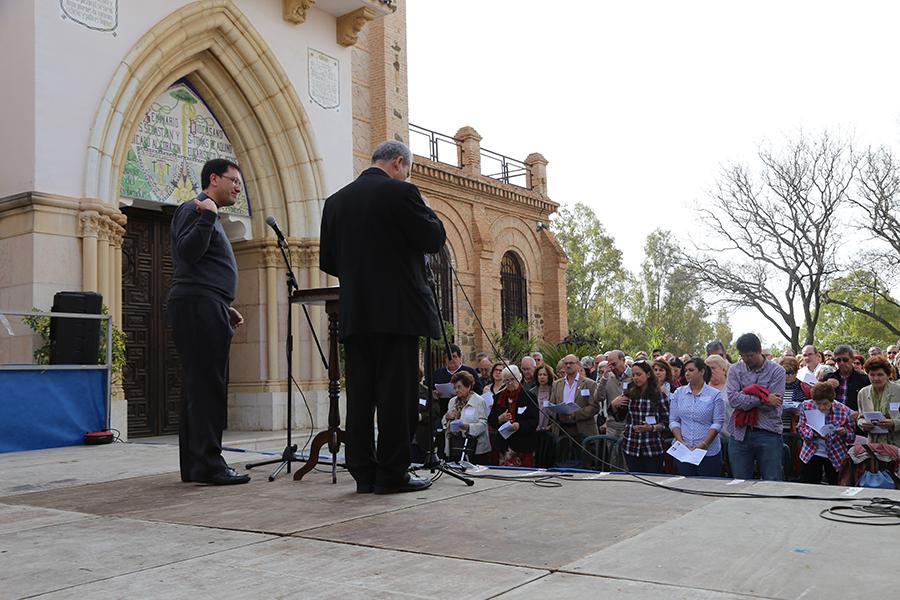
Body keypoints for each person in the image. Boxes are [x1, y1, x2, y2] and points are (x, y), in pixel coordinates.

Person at [320, 140, 444, 494]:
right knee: (397, 398)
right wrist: (427, 209)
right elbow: (433, 238)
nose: (407, 176)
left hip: (356, 314)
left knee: (360, 397)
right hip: (398, 315)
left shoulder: (336, 202)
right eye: (408, 170)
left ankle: (362, 472)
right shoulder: (401, 193)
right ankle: (392, 474)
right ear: (399, 163)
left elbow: (328, 261)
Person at [168, 158, 249, 486]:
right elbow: (188, 253)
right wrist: (208, 219)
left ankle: (197, 466)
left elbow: (199, 265)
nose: (238, 187)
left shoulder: (204, 211)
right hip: (198, 305)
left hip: (205, 303)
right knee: (207, 388)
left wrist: (222, 304)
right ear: (213, 178)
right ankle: (211, 465)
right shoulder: (197, 209)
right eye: (234, 180)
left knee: (200, 387)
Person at [725, 333, 786, 481]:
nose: (746, 359)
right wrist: (764, 397)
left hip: (768, 432)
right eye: (742, 356)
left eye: (750, 355)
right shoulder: (734, 370)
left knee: (772, 482)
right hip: (740, 433)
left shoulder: (777, 371)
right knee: (740, 482)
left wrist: (745, 395)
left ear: (760, 351)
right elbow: (734, 400)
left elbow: (774, 403)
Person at [609, 360, 670, 473]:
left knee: (653, 480)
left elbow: (667, 423)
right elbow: (619, 418)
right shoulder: (629, 393)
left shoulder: (659, 395)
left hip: (652, 447)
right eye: (633, 375)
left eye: (639, 374)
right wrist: (613, 405)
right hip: (631, 446)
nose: (636, 378)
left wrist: (652, 428)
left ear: (648, 374)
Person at [669, 358, 725, 477]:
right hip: (684, 450)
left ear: (702, 371)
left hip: (708, 452)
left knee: (707, 487)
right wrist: (680, 441)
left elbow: (717, 423)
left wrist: (704, 444)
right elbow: (674, 420)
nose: (687, 373)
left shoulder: (715, 394)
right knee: (685, 486)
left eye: (691, 370)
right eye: (685, 371)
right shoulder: (679, 393)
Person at [797, 383, 855, 485]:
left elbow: (852, 437)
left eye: (825, 404)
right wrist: (812, 434)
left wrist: (844, 432)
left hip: (836, 453)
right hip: (811, 452)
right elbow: (801, 428)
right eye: (818, 404)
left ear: (832, 401)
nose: (821, 407)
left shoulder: (844, 411)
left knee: (835, 485)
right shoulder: (806, 406)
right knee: (808, 486)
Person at [488, 365, 539, 466]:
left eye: (512, 379)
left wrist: (519, 425)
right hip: (504, 446)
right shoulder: (498, 397)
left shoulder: (529, 396)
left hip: (523, 444)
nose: (510, 383)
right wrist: (499, 418)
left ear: (519, 378)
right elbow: (491, 420)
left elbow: (534, 421)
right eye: (506, 380)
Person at [442, 371, 490, 465]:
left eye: (459, 387)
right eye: (455, 387)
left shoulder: (479, 401)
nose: (456, 390)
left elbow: (483, 424)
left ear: (468, 386)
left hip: (475, 448)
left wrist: (467, 427)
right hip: (455, 446)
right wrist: (447, 417)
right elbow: (444, 422)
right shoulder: (452, 401)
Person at [549, 354, 599, 442]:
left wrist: (576, 414)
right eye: (566, 363)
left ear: (578, 365)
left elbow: (595, 407)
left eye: (571, 363)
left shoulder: (590, 384)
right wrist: (558, 414)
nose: (568, 365)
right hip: (562, 429)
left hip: (582, 429)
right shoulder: (556, 384)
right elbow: (551, 405)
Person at [857, 356, 900, 446]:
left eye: (880, 375)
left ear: (888, 375)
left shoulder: (898, 391)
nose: (876, 378)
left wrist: (894, 423)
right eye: (872, 375)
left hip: (896, 444)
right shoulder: (863, 393)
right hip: (873, 445)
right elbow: (860, 418)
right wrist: (863, 424)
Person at [433, 343, 483, 415]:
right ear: (444, 359)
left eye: (454, 356)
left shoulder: (470, 371)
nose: (451, 360)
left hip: (466, 411)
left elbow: (479, 391)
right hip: (443, 411)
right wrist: (435, 394)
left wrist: (463, 393)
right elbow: (431, 391)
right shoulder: (438, 373)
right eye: (448, 357)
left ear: (460, 357)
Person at [595, 350, 631, 439]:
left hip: (629, 425)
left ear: (623, 360)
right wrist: (604, 378)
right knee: (612, 452)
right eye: (610, 365)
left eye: (614, 364)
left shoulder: (634, 376)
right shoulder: (608, 378)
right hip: (612, 427)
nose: (613, 368)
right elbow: (598, 398)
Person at [823, 344, 870, 412]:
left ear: (852, 360)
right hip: (833, 418)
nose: (842, 363)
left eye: (845, 360)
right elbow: (819, 399)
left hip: (854, 418)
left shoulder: (864, 379)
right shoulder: (828, 377)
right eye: (838, 360)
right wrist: (825, 386)